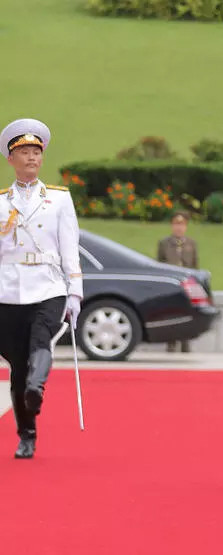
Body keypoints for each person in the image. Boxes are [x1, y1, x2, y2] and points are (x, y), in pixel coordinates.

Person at [0, 119, 83, 459]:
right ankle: (27, 432)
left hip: (47, 287)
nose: (32, 158)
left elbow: (70, 246)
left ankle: (39, 386)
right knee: (18, 368)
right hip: (7, 292)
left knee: (41, 338)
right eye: (24, 152)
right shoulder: (1, 202)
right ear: (11, 159)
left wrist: (75, 292)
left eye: (36, 152)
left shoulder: (59, 200)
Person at [157, 211, 199, 352]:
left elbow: (195, 265)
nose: (179, 227)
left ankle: (186, 343)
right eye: (176, 224)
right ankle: (171, 343)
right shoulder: (164, 243)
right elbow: (160, 265)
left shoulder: (191, 244)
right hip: (171, 284)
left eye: (181, 224)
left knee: (187, 313)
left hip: (187, 284)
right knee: (171, 313)